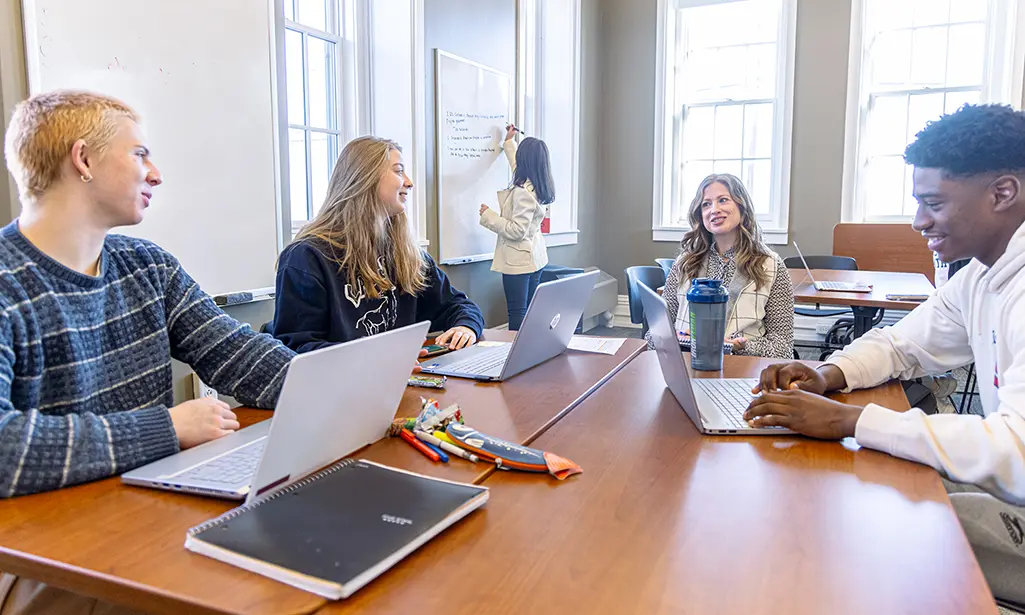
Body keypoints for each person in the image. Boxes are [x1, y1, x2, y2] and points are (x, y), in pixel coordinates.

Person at [0, 90, 295, 611]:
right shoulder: (7, 283)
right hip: (46, 556)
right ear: (83, 159)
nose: (155, 174)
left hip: (147, 517)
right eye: (140, 155)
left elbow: (238, 354)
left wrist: (343, 386)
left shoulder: (146, 265)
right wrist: (169, 428)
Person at [744, 104, 1025, 605]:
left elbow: (1017, 451)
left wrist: (851, 422)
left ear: (1002, 193)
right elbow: (902, 342)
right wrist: (829, 373)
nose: (918, 221)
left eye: (933, 203)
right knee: (892, 500)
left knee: (896, 535)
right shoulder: (984, 273)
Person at [269, 136, 484, 353]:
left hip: (399, 379)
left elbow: (458, 305)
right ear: (366, 177)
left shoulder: (407, 255)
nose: (409, 182)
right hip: (345, 385)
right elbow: (296, 348)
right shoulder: (306, 258)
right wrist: (379, 360)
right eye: (399, 171)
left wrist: (465, 327)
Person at [657, 173, 794, 359]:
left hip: (744, 373)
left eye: (723, 200)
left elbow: (783, 348)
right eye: (706, 204)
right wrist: (680, 339)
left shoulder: (771, 264)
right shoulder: (684, 263)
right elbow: (655, 335)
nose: (714, 209)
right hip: (686, 366)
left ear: (742, 207)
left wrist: (738, 347)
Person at [479, 124, 554, 331]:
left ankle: (513, 354)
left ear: (525, 161)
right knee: (529, 309)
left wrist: (488, 216)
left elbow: (516, 230)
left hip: (519, 259)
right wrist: (509, 142)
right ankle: (528, 352)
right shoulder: (538, 183)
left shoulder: (523, 191)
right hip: (535, 258)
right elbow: (515, 165)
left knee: (517, 311)